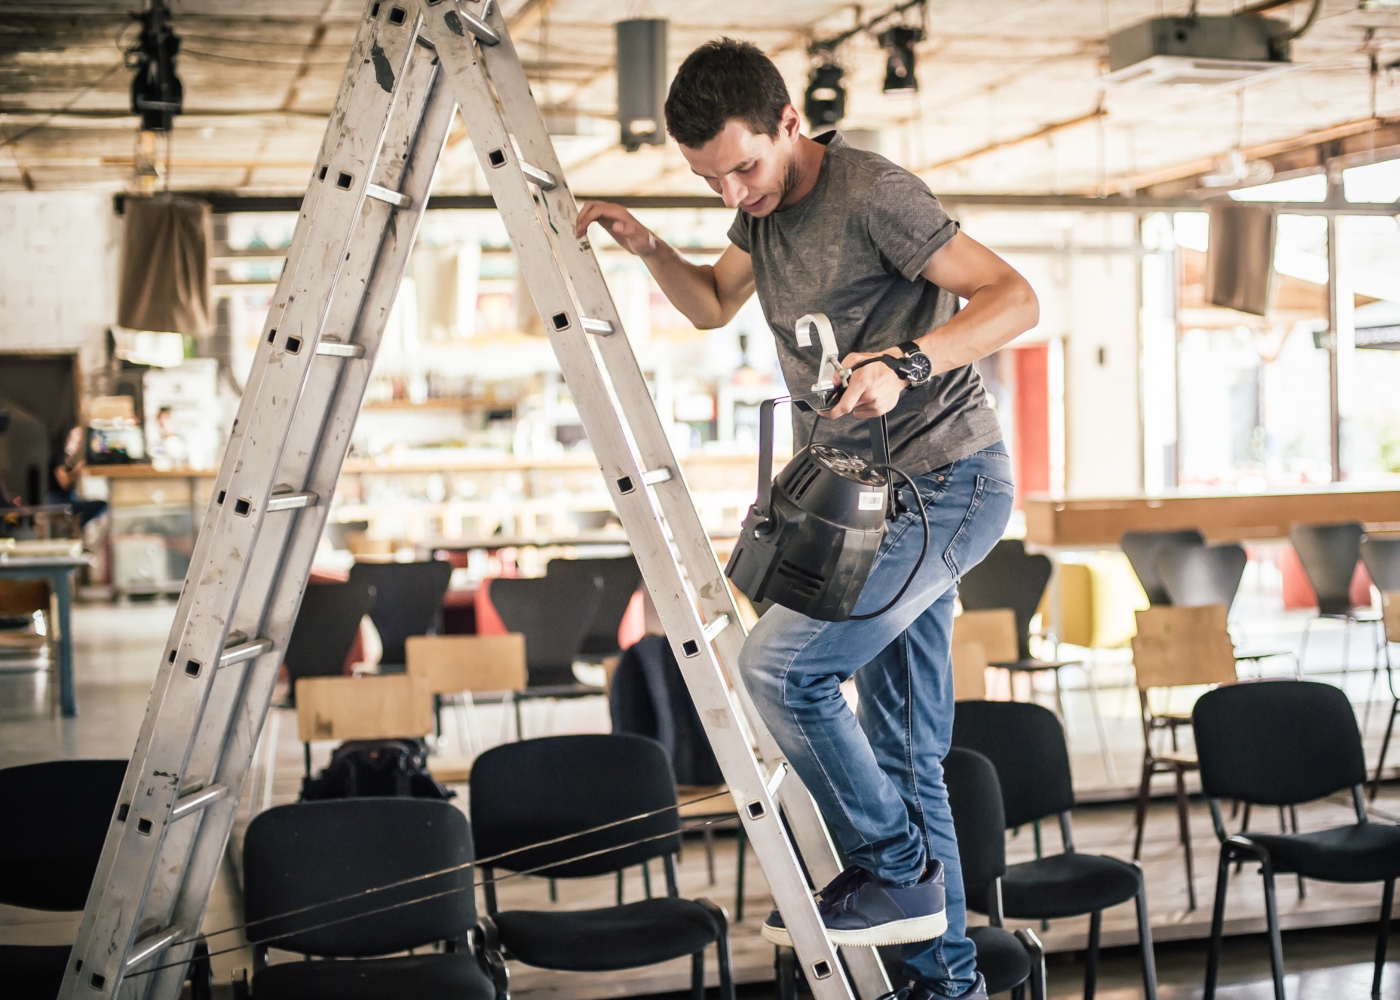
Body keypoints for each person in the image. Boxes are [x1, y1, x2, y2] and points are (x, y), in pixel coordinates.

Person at [575, 39, 1038, 1000]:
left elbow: (1014, 298)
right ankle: (944, 984)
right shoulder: (762, 216)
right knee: (911, 755)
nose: (734, 193)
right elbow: (710, 305)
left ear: (792, 122)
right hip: (859, 509)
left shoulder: (873, 194)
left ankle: (900, 872)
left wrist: (905, 360)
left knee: (780, 667)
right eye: (710, 179)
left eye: (744, 166)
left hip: (947, 484)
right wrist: (651, 248)